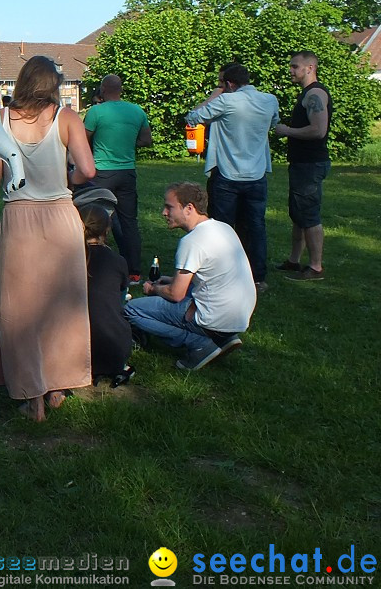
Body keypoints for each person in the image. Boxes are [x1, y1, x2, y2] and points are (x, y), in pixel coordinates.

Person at [0, 56, 95, 421]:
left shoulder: (0, 118)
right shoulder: (67, 118)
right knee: (62, 299)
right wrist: (67, 181)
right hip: (61, 215)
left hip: (19, 217)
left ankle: (34, 396)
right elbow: (88, 170)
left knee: (19, 306)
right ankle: (59, 384)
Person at [124, 182, 255, 371]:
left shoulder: (192, 241)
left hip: (214, 318)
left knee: (131, 309)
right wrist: (171, 280)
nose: (164, 213)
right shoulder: (223, 228)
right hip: (238, 317)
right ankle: (221, 337)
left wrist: (153, 289)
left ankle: (199, 343)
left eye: (169, 207)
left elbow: (175, 294)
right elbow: (211, 274)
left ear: (189, 208)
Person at [186, 63, 279, 289]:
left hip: (227, 174)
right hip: (256, 174)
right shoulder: (269, 100)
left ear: (229, 84)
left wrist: (214, 95)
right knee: (255, 226)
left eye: (221, 84)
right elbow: (274, 123)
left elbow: (192, 117)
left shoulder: (226, 101)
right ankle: (257, 276)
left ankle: (222, 273)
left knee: (222, 227)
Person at [82, 74, 152, 283]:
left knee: (94, 218)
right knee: (129, 221)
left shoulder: (96, 111)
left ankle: (93, 263)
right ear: (120, 89)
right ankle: (134, 271)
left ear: (103, 89)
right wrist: (128, 143)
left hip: (102, 171)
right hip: (127, 171)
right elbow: (146, 140)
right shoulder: (137, 111)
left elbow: (82, 140)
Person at [274, 51, 332, 281]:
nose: (291, 70)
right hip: (302, 163)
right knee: (298, 214)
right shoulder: (307, 94)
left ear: (310, 68)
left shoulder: (315, 93)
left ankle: (316, 267)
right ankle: (294, 261)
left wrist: (287, 131)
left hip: (310, 164)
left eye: (295, 66)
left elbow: (319, 130)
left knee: (309, 215)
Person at [78, 204, 132, 381]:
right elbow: (120, 296)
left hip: (75, 348)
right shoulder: (117, 260)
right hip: (114, 347)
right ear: (107, 230)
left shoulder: (67, 259)